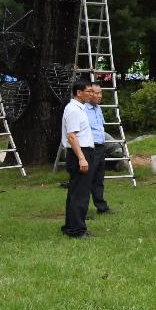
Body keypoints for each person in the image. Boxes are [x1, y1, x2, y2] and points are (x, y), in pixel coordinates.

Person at [61, 80, 96, 238]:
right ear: (78, 93)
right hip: (79, 153)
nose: (91, 94)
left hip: (83, 152)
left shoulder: (79, 109)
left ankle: (70, 226)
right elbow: (72, 136)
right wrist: (82, 158)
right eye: (88, 91)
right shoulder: (73, 110)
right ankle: (77, 230)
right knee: (80, 194)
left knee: (75, 192)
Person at [85, 82, 111, 214]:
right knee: (87, 178)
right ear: (89, 94)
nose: (99, 95)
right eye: (96, 93)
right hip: (90, 147)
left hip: (101, 147)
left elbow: (101, 127)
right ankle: (82, 209)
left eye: (100, 92)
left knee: (99, 178)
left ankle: (101, 206)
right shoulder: (83, 109)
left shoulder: (98, 109)